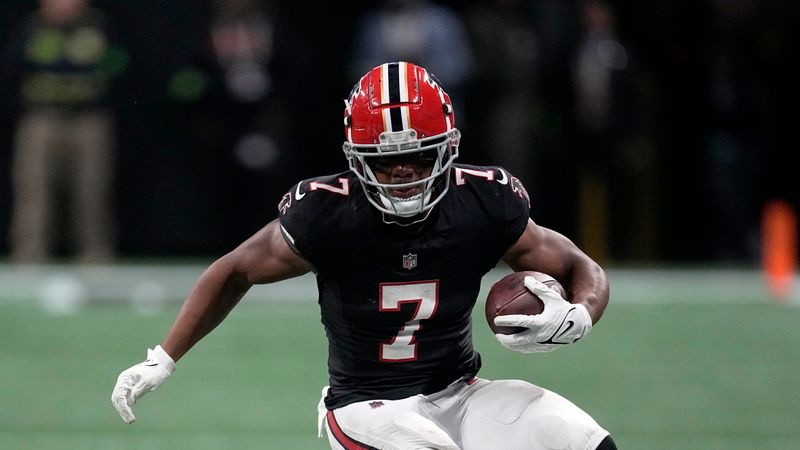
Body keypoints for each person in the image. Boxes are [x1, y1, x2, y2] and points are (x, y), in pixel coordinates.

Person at [111, 61, 617, 450]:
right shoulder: (326, 213)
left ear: (448, 149)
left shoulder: (484, 204)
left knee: (582, 439)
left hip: (459, 390)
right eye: (388, 161)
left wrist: (580, 313)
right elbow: (234, 271)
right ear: (356, 159)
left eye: (417, 156)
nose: (404, 174)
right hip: (363, 407)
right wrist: (163, 358)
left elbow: (579, 268)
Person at [1, 0, 126, 263]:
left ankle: (95, 255)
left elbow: (121, 65)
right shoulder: (31, 28)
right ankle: (29, 255)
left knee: (93, 189)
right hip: (41, 118)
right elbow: (11, 69)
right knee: (33, 190)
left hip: (89, 119)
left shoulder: (99, 27)